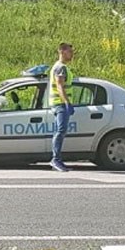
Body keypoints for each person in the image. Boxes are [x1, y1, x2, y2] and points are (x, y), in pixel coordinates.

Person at [49, 42, 75, 172]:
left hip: (58, 103)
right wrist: (67, 103)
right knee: (60, 131)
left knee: (59, 131)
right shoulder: (61, 68)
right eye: (70, 52)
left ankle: (57, 159)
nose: (72, 54)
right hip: (60, 104)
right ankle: (56, 159)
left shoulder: (58, 66)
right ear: (62, 52)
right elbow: (60, 86)